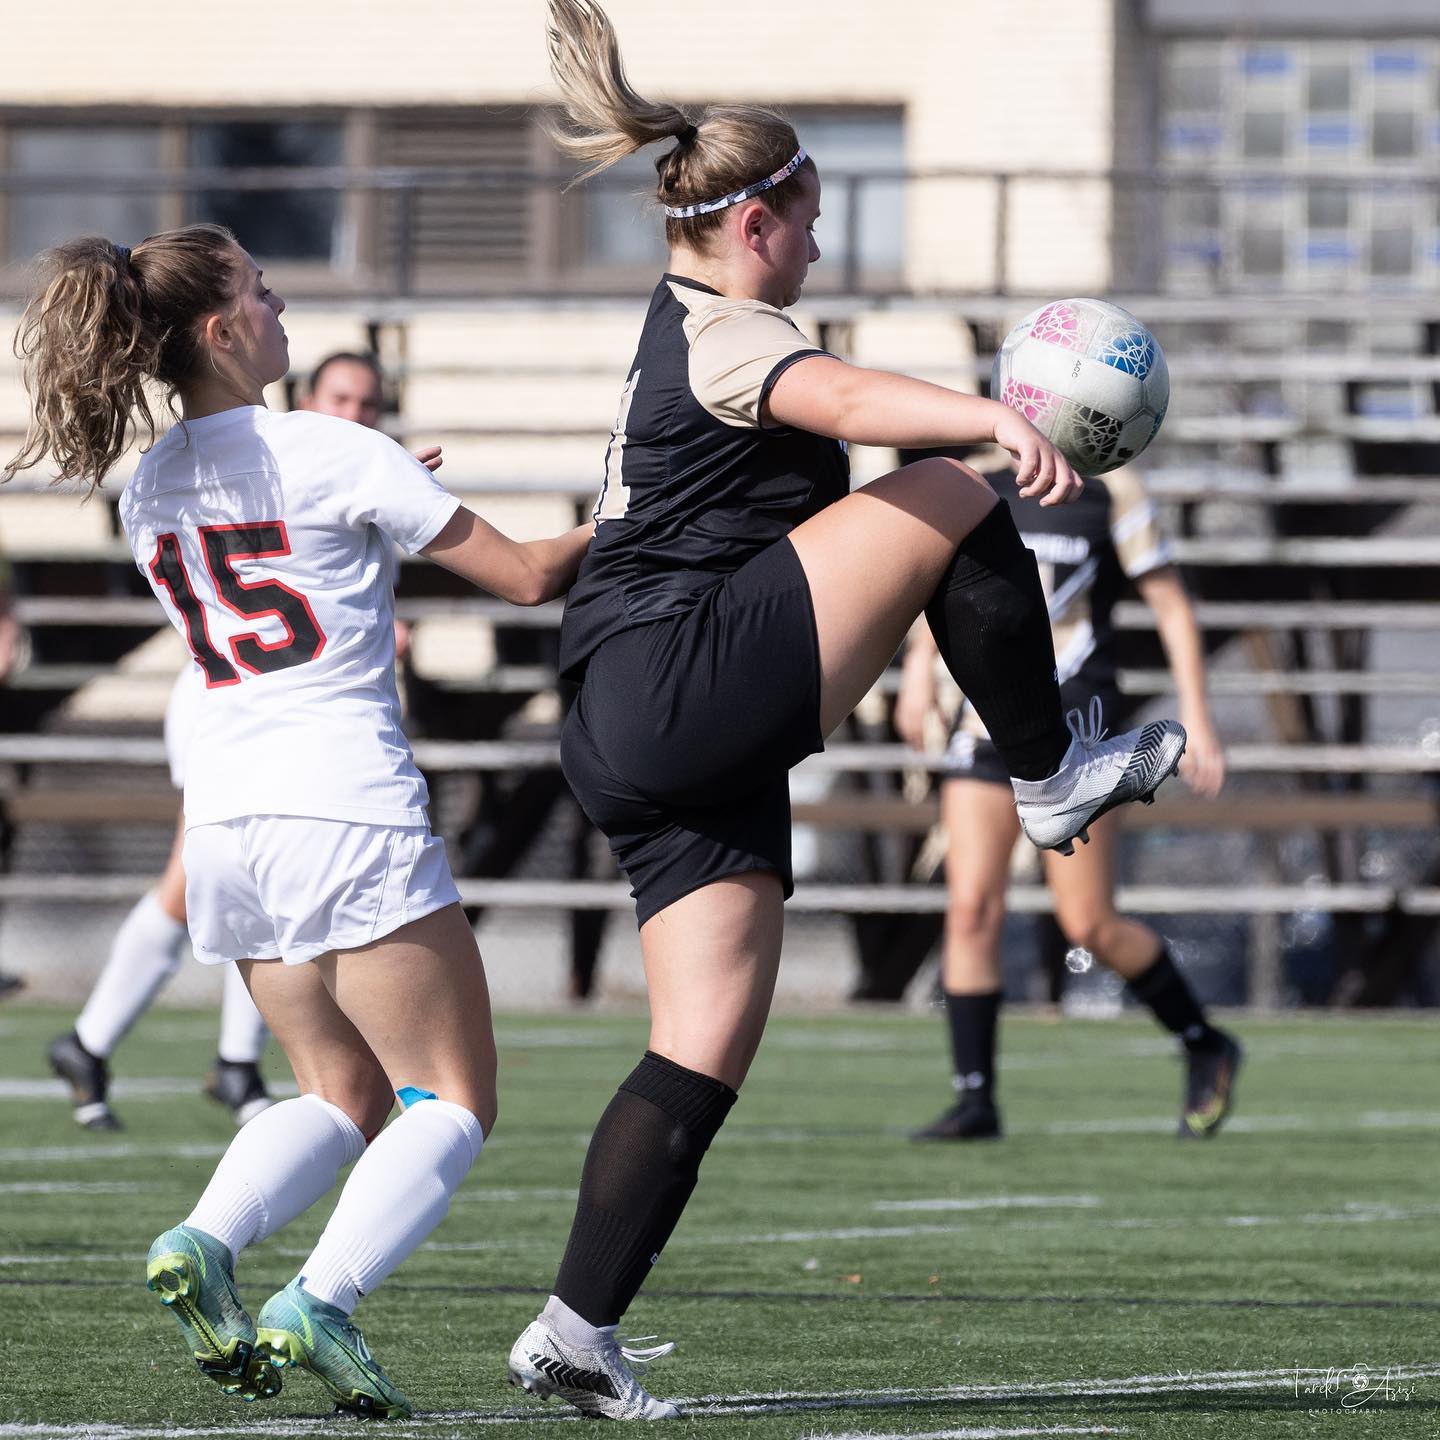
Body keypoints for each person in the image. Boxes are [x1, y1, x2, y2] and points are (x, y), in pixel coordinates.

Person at [503, 0, 1188, 1419]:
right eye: (812, 216)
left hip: (645, 714)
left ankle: (575, 1327)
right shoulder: (727, 327)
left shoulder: (691, 328)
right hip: (673, 679)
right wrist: (991, 417)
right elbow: (848, 392)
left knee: (705, 1042)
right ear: (758, 223)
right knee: (949, 490)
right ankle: (1049, 771)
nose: (819, 242)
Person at [4, 223, 590, 1416]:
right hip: (344, 800)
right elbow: (530, 576)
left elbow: (291, 530)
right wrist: (632, 519)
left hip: (225, 815)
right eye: (262, 293)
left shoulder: (155, 486)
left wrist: (382, 481)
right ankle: (320, 1300)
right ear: (220, 330)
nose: (281, 308)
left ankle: (209, 1242)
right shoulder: (334, 447)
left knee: (341, 1091)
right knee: (454, 1098)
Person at [45, 352, 411, 1130]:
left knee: (257, 882)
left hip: (273, 708)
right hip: (234, 701)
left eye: (370, 403)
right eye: (341, 396)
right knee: (207, 876)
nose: (357, 413)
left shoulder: (327, 461)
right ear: (309, 397)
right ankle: (112, 1040)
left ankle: (215, 1059)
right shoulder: (287, 455)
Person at [894, 456, 1240, 1143]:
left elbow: (1169, 604)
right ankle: (976, 1101)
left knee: (1087, 922)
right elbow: (948, 592)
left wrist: (1197, 715)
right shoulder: (975, 482)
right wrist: (915, 673)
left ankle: (1204, 1041)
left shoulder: (1111, 487)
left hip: (1079, 728)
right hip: (984, 719)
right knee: (970, 906)